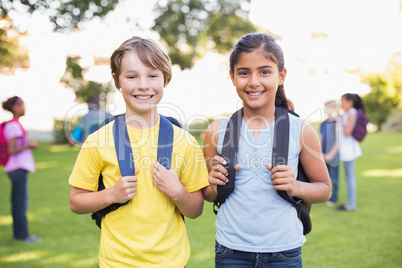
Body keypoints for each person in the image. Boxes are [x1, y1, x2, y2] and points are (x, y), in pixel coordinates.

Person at [68, 36, 209, 267]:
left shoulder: (184, 141)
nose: (143, 85)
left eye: (153, 76)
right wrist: (110, 195)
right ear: (117, 80)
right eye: (132, 76)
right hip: (117, 263)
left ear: (165, 79)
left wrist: (178, 192)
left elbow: (195, 210)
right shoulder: (97, 141)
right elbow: (76, 202)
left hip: (171, 262)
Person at [202, 33, 332, 267]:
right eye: (243, 72)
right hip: (230, 251)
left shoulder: (300, 129)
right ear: (232, 77)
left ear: (281, 76)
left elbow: (324, 189)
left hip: (283, 252)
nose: (253, 81)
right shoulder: (216, 131)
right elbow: (210, 194)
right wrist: (213, 184)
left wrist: (295, 186)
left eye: (264, 71)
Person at [2, 96, 42, 243]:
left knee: (18, 203)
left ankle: (20, 235)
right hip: (17, 168)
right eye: (22, 105)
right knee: (20, 203)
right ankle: (23, 236)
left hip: (19, 169)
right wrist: (29, 145)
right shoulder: (13, 126)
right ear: (15, 108)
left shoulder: (15, 124)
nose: (24, 108)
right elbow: (12, 150)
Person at [336, 93, 364, 211]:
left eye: (343, 102)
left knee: (350, 177)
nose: (341, 104)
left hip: (349, 151)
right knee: (348, 177)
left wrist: (341, 118)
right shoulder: (347, 113)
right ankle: (350, 203)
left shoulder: (351, 113)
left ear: (349, 102)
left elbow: (347, 132)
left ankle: (351, 204)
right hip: (345, 150)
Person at [320, 100, 339, 207]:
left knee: (334, 178)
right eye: (326, 108)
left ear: (335, 108)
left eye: (329, 108)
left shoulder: (337, 123)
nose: (327, 110)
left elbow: (338, 141)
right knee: (323, 177)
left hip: (333, 156)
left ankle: (333, 198)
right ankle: (323, 196)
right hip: (323, 155)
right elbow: (321, 138)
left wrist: (331, 155)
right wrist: (320, 153)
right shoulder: (324, 123)